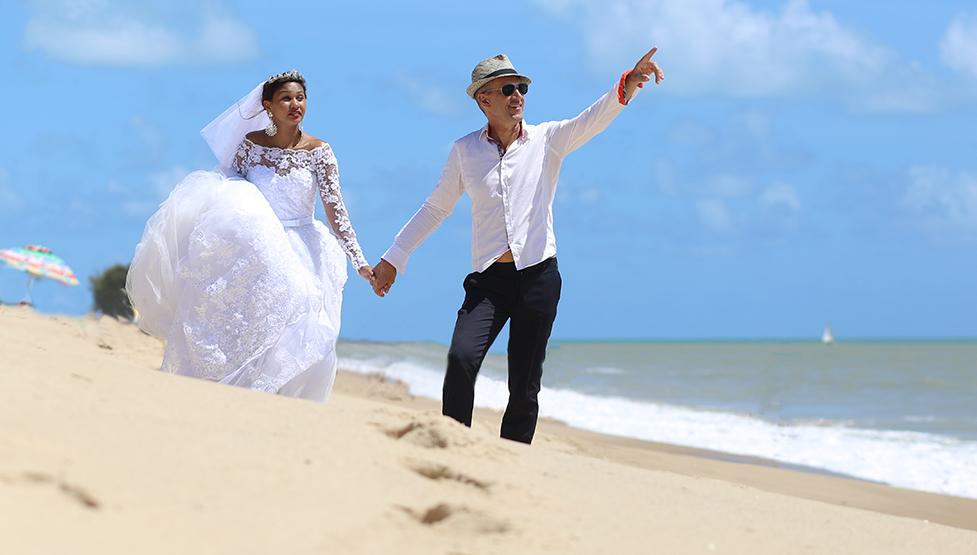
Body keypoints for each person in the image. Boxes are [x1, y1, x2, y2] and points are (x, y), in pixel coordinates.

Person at [370, 49, 664, 443]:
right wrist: (394, 256)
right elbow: (436, 207)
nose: (517, 95)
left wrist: (628, 83)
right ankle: (452, 442)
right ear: (484, 99)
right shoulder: (465, 151)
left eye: (521, 87)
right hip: (489, 282)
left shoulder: (547, 140)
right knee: (461, 358)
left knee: (524, 385)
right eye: (507, 89)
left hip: (539, 277)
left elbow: (592, 120)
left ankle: (513, 458)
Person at [126, 70, 373, 402]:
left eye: (300, 98)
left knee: (305, 324)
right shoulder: (251, 146)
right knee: (249, 326)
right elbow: (230, 193)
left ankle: (284, 402)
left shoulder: (319, 151)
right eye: (286, 98)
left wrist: (360, 261)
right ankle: (239, 397)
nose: (295, 104)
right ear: (268, 106)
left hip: (304, 247)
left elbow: (335, 210)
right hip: (255, 248)